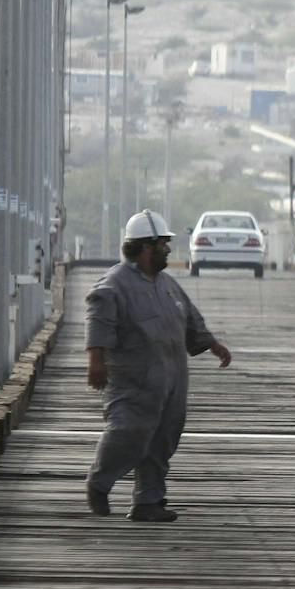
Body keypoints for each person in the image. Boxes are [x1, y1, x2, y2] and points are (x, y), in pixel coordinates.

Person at [84, 210, 234, 522]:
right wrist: (95, 361)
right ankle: (99, 483)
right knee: (128, 432)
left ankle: (148, 502)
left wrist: (213, 345)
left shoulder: (167, 285)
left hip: (172, 377)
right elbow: (99, 322)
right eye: (163, 244)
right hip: (133, 379)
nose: (167, 249)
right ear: (144, 247)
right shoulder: (113, 286)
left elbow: (190, 319)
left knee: (163, 439)